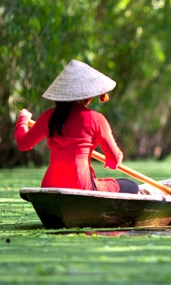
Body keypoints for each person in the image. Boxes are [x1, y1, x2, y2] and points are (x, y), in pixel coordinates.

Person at [14, 59, 139, 194]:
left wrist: (23, 119)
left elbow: (23, 143)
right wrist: (115, 159)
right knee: (132, 186)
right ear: (89, 97)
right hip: (82, 186)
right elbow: (114, 159)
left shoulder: (48, 117)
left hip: (49, 185)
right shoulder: (97, 119)